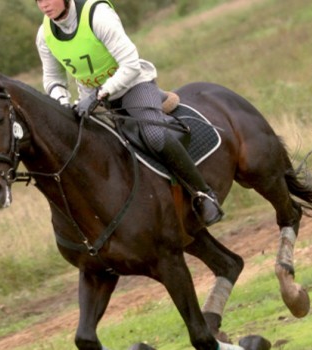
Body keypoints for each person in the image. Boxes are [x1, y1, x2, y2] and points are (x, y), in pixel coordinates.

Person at [35, 0, 223, 226]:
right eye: (38, 0)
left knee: (154, 135)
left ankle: (203, 194)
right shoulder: (44, 35)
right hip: (91, 101)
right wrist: (63, 102)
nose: (44, 5)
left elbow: (131, 64)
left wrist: (98, 95)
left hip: (133, 86)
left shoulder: (98, 15)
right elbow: (54, 79)